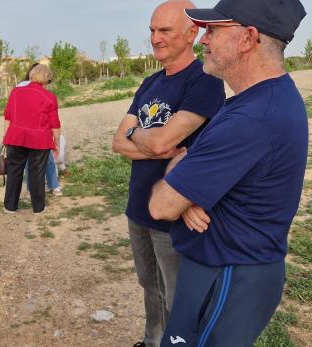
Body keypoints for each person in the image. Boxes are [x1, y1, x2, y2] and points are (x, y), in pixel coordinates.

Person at [148, 0, 307, 345]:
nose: (203, 39)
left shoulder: (250, 119)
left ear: (248, 38)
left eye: (214, 29)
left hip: (226, 275)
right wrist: (188, 187)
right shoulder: (264, 98)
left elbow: (162, 205)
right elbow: (192, 164)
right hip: (229, 268)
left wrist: (183, 186)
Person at [110, 1, 225, 346]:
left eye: (165, 30)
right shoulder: (150, 81)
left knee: (176, 294)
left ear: (193, 33)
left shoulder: (204, 82)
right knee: (149, 286)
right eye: (152, 30)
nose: (155, 38)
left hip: (173, 211)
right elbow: (119, 142)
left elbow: (159, 143)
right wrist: (144, 140)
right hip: (138, 206)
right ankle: (151, 340)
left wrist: (140, 138)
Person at [3, 64, 60, 214]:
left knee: (14, 171)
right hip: (39, 139)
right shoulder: (50, 97)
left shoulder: (15, 92)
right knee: (37, 173)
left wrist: (5, 139)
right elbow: (55, 123)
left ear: (31, 76)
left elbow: (8, 116)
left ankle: (10, 206)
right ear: (46, 80)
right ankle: (38, 207)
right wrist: (57, 143)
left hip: (15, 137)